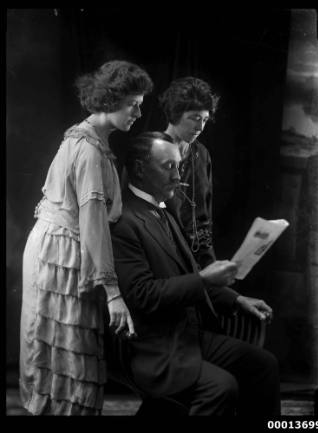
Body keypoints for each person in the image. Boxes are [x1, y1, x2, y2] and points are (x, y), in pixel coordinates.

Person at [110, 132, 280, 416]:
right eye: (169, 167)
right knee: (221, 388)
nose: (178, 176)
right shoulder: (124, 221)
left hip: (188, 336)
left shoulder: (164, 209)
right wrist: (204, 279)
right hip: (153, 348)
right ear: (140, 169)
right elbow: (143, 296)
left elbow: (187, 273)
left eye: (179, 166)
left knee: (264, 365)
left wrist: (236, 300)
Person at [19, 60, 153, 415]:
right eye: (133, 104)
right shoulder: (89, 150)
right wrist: (112, 293)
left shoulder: (91, 139)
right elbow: (93, 224)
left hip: (59, 246)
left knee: (66, 360)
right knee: (67, 362)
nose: (139, 112)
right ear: (110, 101)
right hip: (60, 255)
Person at [158, 77, 219, 269]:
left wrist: (210, 265)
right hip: (160, 259)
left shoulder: (202, 154)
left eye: (205, 120)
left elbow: (204, 219)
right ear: (176, 114)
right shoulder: (148, 151)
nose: (200, 128)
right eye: (194, 118)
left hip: (196, 260)